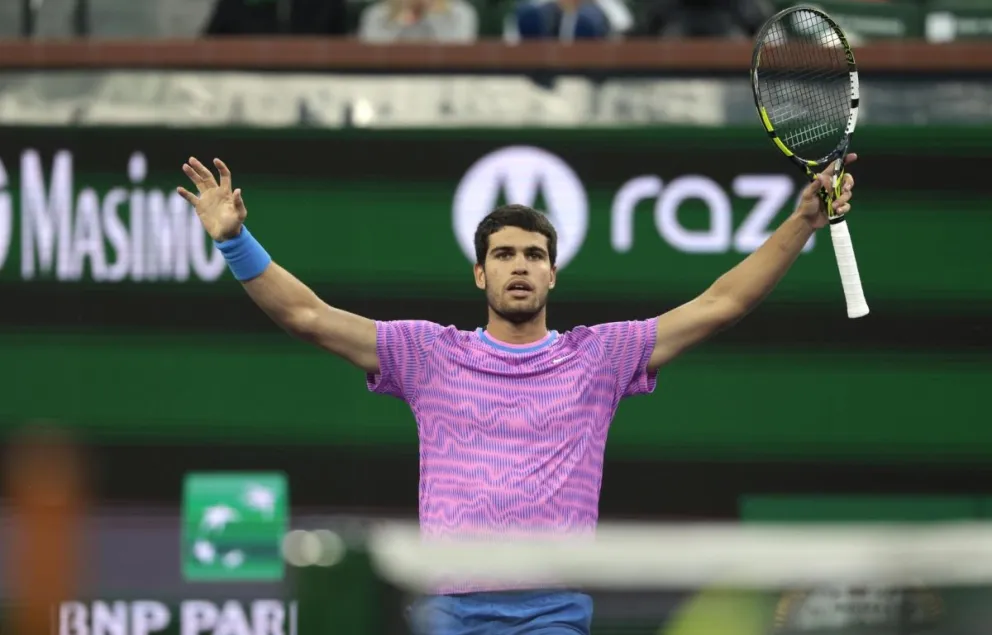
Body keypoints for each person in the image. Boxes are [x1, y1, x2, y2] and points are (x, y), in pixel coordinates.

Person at [176, 154, 857, 635]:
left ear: (552, 273)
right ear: (480, 273)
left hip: (552, 613)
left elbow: (722, 302)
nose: (520, 266)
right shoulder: (428, 353)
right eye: (504, 254)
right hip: (448, 609)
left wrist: (800, 221)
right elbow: (309, 316)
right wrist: (235, 240)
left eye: (533, 254)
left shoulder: (600, 355)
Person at [358, 0, 478, 43]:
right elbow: (371, 58)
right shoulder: (376, 15)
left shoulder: (461, 13)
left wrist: (433, 14)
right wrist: (400, 18)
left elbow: (459, 58)